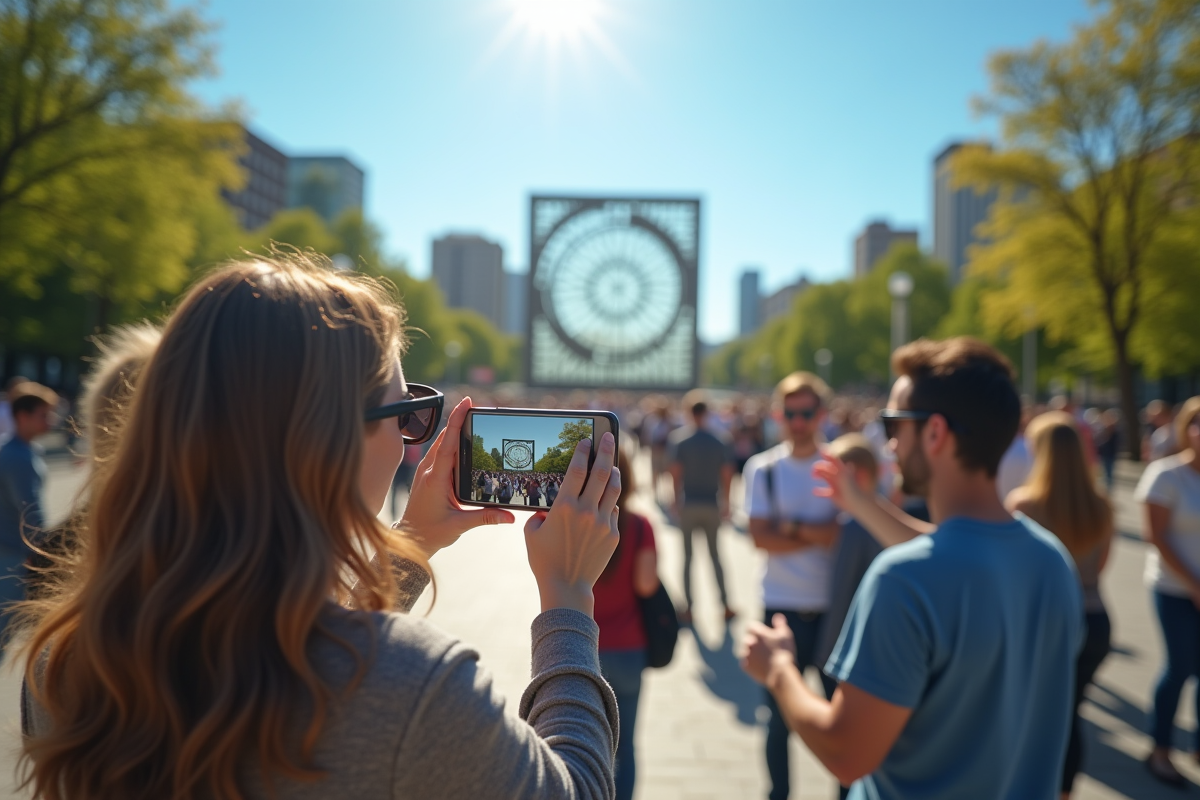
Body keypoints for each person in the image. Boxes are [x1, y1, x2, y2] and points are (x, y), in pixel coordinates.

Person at [19, 254, 622, 799]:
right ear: (326, 441)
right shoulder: (414, 686)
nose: (413, 439)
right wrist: (568, 595)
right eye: (403, 414)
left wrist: (415, 541)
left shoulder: (66, 656)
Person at [742, 337, 1082, 800]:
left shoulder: (900, 579)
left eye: (894, 423)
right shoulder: (1050, 560)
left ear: (935, 433)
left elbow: (846, 753)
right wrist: (863, 506)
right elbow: (956, 553)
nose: (888, 442)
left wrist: (778, 668)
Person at [742, 371, 840, 800]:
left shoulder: (837, 467)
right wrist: (815, 532)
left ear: (821, 414)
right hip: (780, 605)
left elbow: (840, 537)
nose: (798, 422)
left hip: (835, 608)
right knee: (778, 719)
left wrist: (790, 526)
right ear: (778, 415)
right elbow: (761, 538)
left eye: (807, 413)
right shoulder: (763, 469)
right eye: (790, 413)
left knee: (845, 717)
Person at [1006, 411, 1114, 799]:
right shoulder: (1101, 504)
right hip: (1094, 616)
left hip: (1044, 621)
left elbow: (1013, 571)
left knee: (1036, 719)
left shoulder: (1024, 504)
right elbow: (1100, 566)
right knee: (1070, 716)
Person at [1136, 395, 1200, 787]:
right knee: (1179, 668)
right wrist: (1194, 584)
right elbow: (1155, 535)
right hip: (1174, 588)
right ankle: (1160, 749)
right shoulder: (1166, 474)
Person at [594, 447, 660, 800]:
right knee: (625, 746)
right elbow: (646, 584)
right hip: (629, 647)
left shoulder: (571, 522)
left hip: (583, 649)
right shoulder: (640, 525)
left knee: (585, 746)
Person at [812, 434, 883, 676]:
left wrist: (827, 653)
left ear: (856, 475)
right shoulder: (889, 517)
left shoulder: (853, 526)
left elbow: (843, 594)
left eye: (833, 478)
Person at [667, 392, 735, 625]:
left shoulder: (680, 440)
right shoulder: (719, 440)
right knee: (716, 556)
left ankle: (688, 608)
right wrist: (727, 502)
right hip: (711, 502)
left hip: (689, 503)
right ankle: (725, 604)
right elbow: (727, 474)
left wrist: (675, 500)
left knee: (687, 558)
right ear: (706, 413)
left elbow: (675, 473)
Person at [0, 381, 58, 648]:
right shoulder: (19, 457)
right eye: (43, 415)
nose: (51, 420)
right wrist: (48, 554)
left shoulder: (20, 450)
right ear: (22, 417)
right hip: (10, 554)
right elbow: (31, 512)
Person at [1095, 409, 1120, 495]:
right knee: (1101, 472)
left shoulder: (1114, 430)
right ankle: (1103, 489)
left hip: (1110, 454)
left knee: (1109, 472)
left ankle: (1108, 490)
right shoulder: (1103, 429)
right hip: (1103, 454)